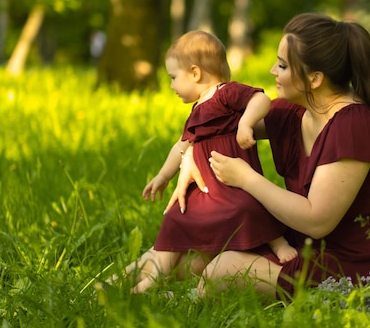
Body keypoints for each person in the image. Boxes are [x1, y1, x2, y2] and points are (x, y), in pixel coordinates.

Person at [183, 13, 370, 300]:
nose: (271, 70)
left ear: (314, 79)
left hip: (362, 264)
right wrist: (187, 156)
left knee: (224, 271)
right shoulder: (296, 111)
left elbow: (317, 219)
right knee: (195, 253)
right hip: (311, 245)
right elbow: (216, 128)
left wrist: (246, 179)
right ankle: (126, 283)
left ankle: (185, 301)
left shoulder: (354, 123)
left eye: (283, 65)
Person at [107, 30, 297, 294]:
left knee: (248, 206)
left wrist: (245, 123)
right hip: (210, 187)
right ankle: (154, 277)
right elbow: (181, 146)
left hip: (235, 183)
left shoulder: (225, 93)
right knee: (175, 216)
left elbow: (260, 99)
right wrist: (164, 176)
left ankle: (278, 245)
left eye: (174, 77)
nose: (172, 86)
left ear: (195, 73)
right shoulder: (196, 110)